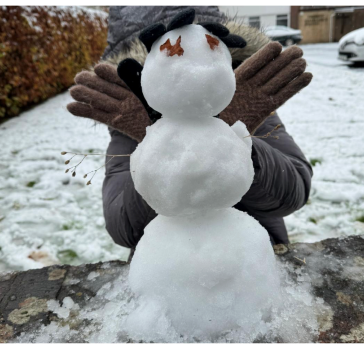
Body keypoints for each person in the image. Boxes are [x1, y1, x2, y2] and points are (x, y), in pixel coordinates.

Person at [66, 6, 314, 262]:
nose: (193, 70)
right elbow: (123, 227)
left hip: (251, 259)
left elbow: (294, 190)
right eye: (173, 52)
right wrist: (159, 141)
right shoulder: (126, 116)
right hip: (169, 267)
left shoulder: (251, 95)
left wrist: (229, 135)